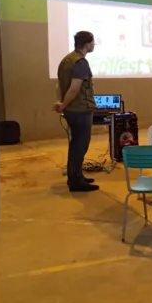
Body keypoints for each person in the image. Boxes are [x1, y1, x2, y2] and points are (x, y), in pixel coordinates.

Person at [53, 31, 99, 192]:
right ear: (87, 44)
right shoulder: (81, 62)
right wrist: (64, 104)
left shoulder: (66, 60)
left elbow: (59, 85)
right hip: (81, 109)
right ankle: (76, 181)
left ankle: (75, 176)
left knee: (75, 145)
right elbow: (74, 88)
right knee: (80, 145)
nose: (94, 45)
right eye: (93, 42)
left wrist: (61, 103)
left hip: (72, 110)